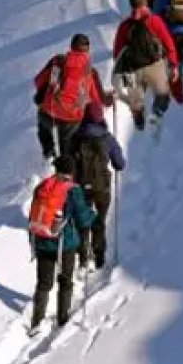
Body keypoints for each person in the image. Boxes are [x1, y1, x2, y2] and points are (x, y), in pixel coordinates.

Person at [27, 155, 95, 333]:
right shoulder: (73, 191)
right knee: (65, 281)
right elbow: (83, 220)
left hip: (41, 240)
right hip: (64, 244)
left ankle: (36, 321)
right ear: (72, 172)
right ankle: (62, 318)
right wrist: (92, 213)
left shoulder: (42, 186)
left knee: (43, 283)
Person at [33, 33, 111, 160]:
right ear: (88, 50)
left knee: (43, 124)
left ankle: (49, 153)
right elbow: (96, 100)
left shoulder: (58, 61)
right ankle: (65, 166)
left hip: (50, 110)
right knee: (67, 142)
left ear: (71, 47)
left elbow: (38, 81)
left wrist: (43, 94)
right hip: (72, 117)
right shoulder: (90, 71)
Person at [67, 103, 126, 269]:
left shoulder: (75, 137)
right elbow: (120, 164)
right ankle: (99, 257)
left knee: (82, 221)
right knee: (99, 221)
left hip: (80, 187)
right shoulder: (107, 138)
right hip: (102, 187)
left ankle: (83, 257)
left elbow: (68, 162)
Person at [112, 0, 179, 129]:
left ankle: (139, 120)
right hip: (155, 65)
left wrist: (121, 71)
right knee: (163, 94)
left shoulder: (125, 26)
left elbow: (117, 52)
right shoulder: (155, 21)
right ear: (145, 3)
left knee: (135, 101)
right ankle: (156, 114)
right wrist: (173, 65)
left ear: (131, 5)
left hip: (132, 68)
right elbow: (168, 43)